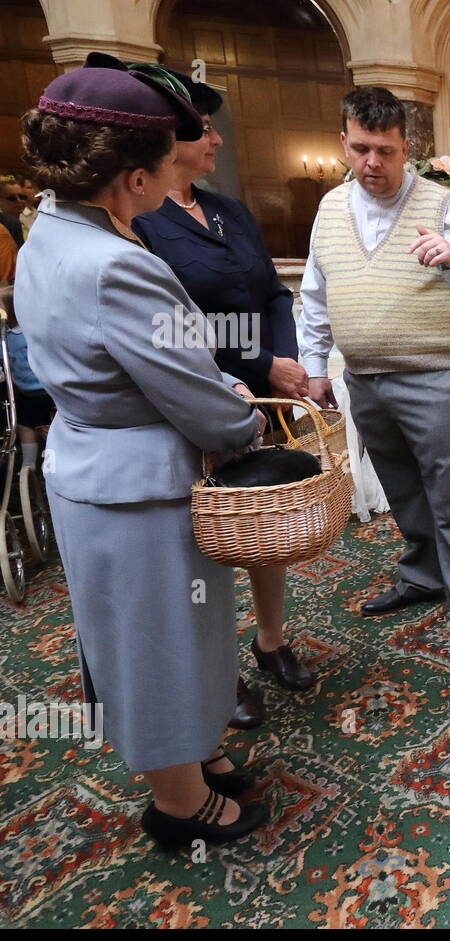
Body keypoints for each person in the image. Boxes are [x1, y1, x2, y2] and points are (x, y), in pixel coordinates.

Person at [15, 54, 269, 848]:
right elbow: (197, 398)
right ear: (132, 179)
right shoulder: (119, 266)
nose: (177, 169)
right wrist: (243, 419)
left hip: (94, 470)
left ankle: (195, 756)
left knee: (173, 634)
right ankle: (178, 804)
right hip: (136, 488)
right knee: (155, 644)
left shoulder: (44, 233)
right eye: (166, 158)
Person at [299, 86, 450, 660]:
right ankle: (424, 573)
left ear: (406, 148)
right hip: (362, 376)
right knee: (400, 484)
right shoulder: (329, 209)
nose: (372, 163)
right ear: (344, 143)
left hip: (432, 375)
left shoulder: (440, 205)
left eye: (385, 151)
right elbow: (316, 295)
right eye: (362, 148)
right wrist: (316, 366)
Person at [133, 68, 317, 730]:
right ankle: (217, 672)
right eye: (204, 128)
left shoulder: (227, 210)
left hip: (260, 399)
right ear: (169, 140)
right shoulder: (141, 226)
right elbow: (173, 330)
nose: (215, 140)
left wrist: (284, 363)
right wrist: (263, 362)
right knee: (204, 546)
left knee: (263, 529)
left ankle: (270, 643)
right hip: (196, 403)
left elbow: (271, 292)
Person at [0, 284, 53, 467]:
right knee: (25, 426)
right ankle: (29, 466)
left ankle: (50, 463)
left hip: (44, 390)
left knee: (45, 428)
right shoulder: (6, 335)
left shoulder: (27, 334)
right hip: (24, 392)